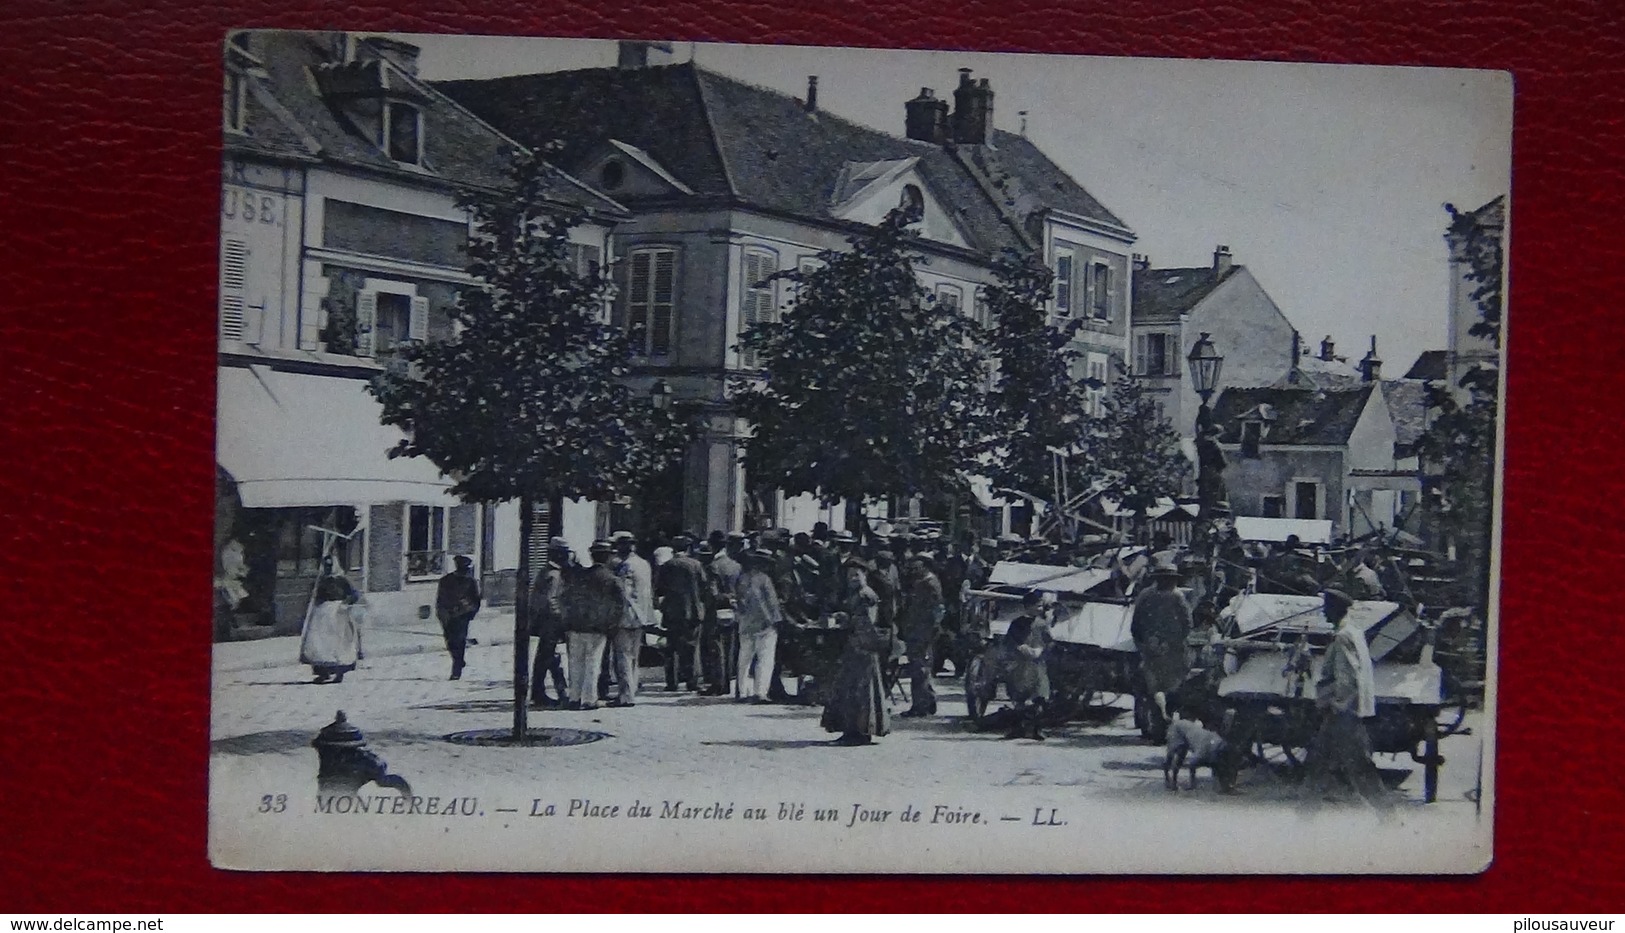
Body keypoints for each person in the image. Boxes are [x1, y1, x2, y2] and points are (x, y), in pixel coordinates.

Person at [1307, 587, 1387, 802]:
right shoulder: (1354, 631)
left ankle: (1388, 818)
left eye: (1326, 608)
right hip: (1345, 712)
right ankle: (1305, 815)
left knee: (1361, 768)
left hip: (1342, 715)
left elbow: (1347, 678)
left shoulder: (1343, 636)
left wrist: (1337, 706)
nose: (1323, 613)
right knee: (1318, 762)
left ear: (1335, 609)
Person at [821, 557, 892, 746]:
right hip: (855, 648)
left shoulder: (866, 595)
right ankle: (852, 730)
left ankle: (858, 733)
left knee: (860, 693)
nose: (852, 578)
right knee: (850, 691)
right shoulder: (855, 594)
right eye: (849, 575)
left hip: (863, 649)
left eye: (857, 574)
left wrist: (847, 620)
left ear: (865, 574)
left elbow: (867, 624)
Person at [1130, 561, 1192, 728]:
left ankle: (1158, 722)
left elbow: (1135, 625)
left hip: (1160, 649)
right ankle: (1160, 722)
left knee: (1155, 690)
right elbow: (1187, 625)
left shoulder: (1146, 595)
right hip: (1166, 651)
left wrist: (1144, 644)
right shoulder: (1176, 596)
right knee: (1167, 689)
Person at [562, 540, 622, 710]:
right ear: (609, 557)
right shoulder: (612, 580)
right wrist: (612, 626)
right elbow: (618, 606)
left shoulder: (580, 576)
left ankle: (574, 697)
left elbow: (569, 598)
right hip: (597, 628)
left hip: (577, 625)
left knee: (575, 663)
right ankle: (589, 699)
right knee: (593, 663)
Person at [657, 534, 709, 692]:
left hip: (672, 612)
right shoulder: (696, 565)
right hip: (692, 612)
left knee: (671, 648)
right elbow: (704, 586)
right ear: (688, 548)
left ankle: (671, 682)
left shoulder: (667, 566)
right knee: (691, 648)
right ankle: (691, 681)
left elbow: (659, 588)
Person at [1000, 590, 1053, 740]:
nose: (1040, 609)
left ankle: (1037, 729)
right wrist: (1020, 648)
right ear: (1027, 607)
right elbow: (1009, 641)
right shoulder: (1016, 624)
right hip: (1020, 665)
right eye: (1037, 606)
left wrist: (1041, 650)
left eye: (1041, 606)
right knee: (1019, 698)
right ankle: (1018, 728)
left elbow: (1049, 642)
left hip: (1037, 666)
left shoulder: (1042, 624)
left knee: (1040, 698)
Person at [734, 548, 785, 702]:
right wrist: (775, 620)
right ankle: (760, 692)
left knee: (744, 658)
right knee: (765, 658)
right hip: (765, 624)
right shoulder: (765, 579)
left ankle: (742, 691)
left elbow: (741, 601)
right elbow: (771, 602)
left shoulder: (742, 578)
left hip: (746, 623)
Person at [300, 560, 363, 684]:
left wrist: (346, 603)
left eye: (330, 566)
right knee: (319, 643)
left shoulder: (342, 580)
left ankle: (339, 672)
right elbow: (313, 597)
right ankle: (323, 672)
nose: (328, 569)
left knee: (338, 644)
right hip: (321, 615)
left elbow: (354, 595)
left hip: (338, 614)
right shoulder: (320, 581)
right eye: (326, 566)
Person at [608, 531, 652, 707]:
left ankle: (625, 695)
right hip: (641, 616)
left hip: (625, 616)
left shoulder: (625, 567)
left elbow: (622, 594)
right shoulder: (644, 564)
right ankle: (630, 691)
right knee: (634, 657)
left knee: (623, 657)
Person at [898, 551, 943, 717]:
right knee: (920, 668)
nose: (914, 567)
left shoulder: (930, 583)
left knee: (920, 669)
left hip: (923, 632)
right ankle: (928, 701)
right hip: (916, 630)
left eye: (917, 564)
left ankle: (920, 705)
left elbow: (936, 610)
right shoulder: (920, 582)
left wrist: (932, 630)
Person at [528, 537, 572, 708]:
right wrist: (561, 618)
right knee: (546, 658)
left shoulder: (546, 571)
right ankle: (542, 693)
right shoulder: (554, 575)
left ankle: (556, 691)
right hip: (551, 622)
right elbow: (550, 600)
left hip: (545, 622)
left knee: (548, 658)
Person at [434, 555, 482, 681]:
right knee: (450, 642)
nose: (465, 571)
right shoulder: (445, 580)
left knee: (460, 642)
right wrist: (442, 614)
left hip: (462, 617)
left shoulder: (471, 582)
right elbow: (440, 599)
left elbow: (476, 600)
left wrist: (470, 612)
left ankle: (456, 671)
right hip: (448, 616)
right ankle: (459, 660)